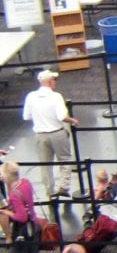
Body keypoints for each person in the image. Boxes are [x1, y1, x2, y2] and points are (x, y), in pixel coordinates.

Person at [23, 69, 79, 198]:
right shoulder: (56, 96)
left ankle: (50, 191)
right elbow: (62, 116)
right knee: (65, 159)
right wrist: (72, 120)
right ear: (49, 82)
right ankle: (64, 187)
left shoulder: (31, 96)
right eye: (54, 80)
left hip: (40, 135)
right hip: (57, 133)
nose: (55, 82)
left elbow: (26, 116)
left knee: (45, 164)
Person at [0, 162, 48, 253]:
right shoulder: (25, 183)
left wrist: (7, 211)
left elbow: (21, 216)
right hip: (34, 225)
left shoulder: (14, 194)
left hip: (22, 230)